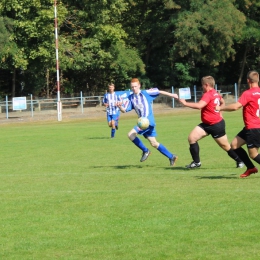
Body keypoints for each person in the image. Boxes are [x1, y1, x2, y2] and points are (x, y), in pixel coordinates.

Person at [178, 75, 243, 169]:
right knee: (192, 138)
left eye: (202, 85)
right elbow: (222, 101)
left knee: (225, 146)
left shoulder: (208, 94)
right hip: (206, 124)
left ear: (206, 84)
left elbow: (200, 106)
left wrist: (185, 103)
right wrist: (221, 113)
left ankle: (240, 161)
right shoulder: (215, 92)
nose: (202, 87)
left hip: (216, 125)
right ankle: (197, 162)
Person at [118, 78, 179, 166]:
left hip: (147, 122)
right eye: (132, 87)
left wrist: (172, 95)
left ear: (139, 86)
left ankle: (145, 151)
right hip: (143, 123)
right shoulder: (131, 98)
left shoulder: (146, 93)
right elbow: (124, 110)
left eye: (135, 86)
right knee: (154, 143)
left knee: (130, 134)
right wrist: (120, 107)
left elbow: (159, 91)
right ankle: (171, 156)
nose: (134, 88)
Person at [215, 70, 260, 178]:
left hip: (253, 128)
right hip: (251, 127)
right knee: (234, 145)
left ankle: (251, 167)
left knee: (253, 155)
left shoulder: (248, 93)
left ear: (248, 80)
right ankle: (250, 168)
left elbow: (236, 106)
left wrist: (221, 108)